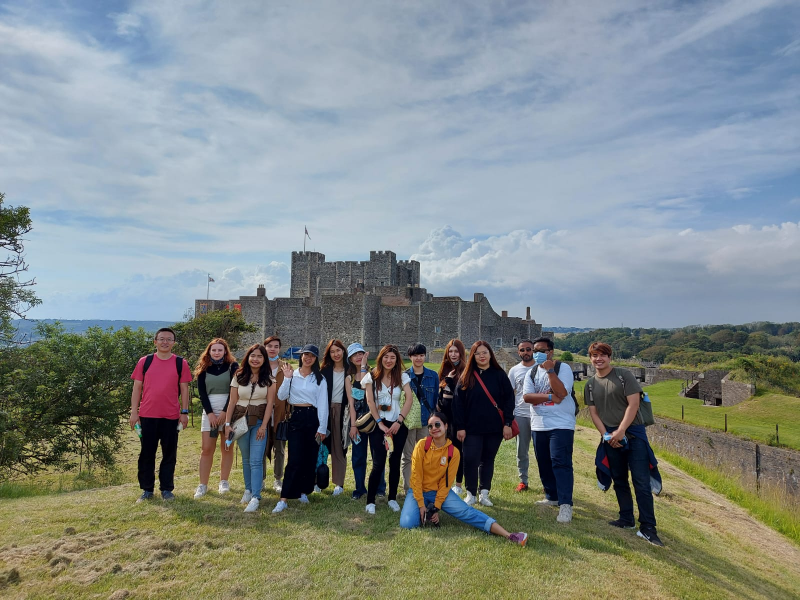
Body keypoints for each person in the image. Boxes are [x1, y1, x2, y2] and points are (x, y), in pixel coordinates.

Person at [399, 412, 528, 546]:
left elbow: (445, 484)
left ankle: (510, 535)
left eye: (437, 424)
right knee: (407, 524)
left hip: (439, 492)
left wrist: (436, 507)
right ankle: (426, 510)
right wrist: (421, 505)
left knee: (467, 512)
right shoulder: (421, 445)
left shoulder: (453, 452)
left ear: (446, 426)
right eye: (430, 426)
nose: (434, 428)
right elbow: (416, 477)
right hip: (417, 491)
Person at [585, 342, 664, 546]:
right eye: (594, 356)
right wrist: (606, 435)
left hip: (633, 434)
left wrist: (620, 432)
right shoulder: (590, 384)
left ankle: (648, 527)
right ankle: (626, 518)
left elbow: (634, 404)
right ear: (590, 358)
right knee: (619, 479)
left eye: (602, 355)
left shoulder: (623, 376)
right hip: (610, 436)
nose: (598, 359)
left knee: (641, 482)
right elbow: (594, 413)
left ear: (609, 357)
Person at [130, 327, 192, 502]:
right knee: (147, 454)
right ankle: (147, 490)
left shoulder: (180, 363)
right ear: (155, 341)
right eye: (162, 339)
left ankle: (166, 489)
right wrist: (134, 412)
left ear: (174, 343)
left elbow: (184, 389)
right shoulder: (145, 361)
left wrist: (184, 412)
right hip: (147, 415)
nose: (165, 342)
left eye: (169, 339)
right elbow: (137, 388)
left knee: (169, 455)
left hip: (171, 416)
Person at [453, 340, 514, 507]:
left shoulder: (499, 375)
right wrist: (460, 427)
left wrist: (508, 423)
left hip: (494, 428)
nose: (482, 356)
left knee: (487, 460)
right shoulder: (466, 376)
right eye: (478, 353)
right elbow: (458, 404)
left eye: (484, 352)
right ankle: (471, 493)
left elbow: (509, 400)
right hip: (471, 428)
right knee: (470, 459)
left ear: (490, 354)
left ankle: (484, 493)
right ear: (473, 356)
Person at [522, 337, 576, 523]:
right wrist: (550, 397)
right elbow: (527, 397)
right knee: (544, 462)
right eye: (534, 350)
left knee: (560, 462)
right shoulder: (532, 372)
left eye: (541, 350)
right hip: (539, 423)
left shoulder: (563, 368)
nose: (537, 354)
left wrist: (550, 371)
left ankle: (565, 504)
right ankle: (551, 496)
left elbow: (562, 392)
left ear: (550, 352)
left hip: (561, 423)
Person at [272, 345, 329, 513]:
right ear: (301, 356)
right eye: (306, 355)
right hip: (296, 417)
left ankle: (304, 491)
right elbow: (282, 396)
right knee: (294, 458)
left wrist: (322, 427)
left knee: (310, 457)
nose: (308, 358)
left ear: (316, 359)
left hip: (313, 417)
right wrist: (287, 379)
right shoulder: (292, 374)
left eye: (312, 355)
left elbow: (323, 404)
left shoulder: (319, 378)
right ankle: (284, 498)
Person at [223, 344, 276, 513]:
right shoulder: (239, 376)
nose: (256, 359)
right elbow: (232, 401)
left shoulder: (269, 379)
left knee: (256, 460)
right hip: (240, 421)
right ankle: (248, 490)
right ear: (248, 357)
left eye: (260, 356)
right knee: (246, 459)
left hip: (259, 422)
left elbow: (270, 404)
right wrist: (227, 424)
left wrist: (264, 426)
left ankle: (256, 497)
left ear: (264, 359)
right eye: (253, 355)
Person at [362, 344, 414, 515]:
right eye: (386, 357)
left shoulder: (402, 377)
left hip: (398, 424)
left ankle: (392, 498)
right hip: (379, 424)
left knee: (395, 461)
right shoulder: (372, 376)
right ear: (380, 358)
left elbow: (409, 400)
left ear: (397, 360)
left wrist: (399, 421)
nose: (389, 360)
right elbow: (370, 401)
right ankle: (371, 501)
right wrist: (380, 423)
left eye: (392, 357)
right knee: (378, 463)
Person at [194, 338, 239, 499]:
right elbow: (202, 393)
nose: (217, 352)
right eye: (214, 350)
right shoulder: (203, 367)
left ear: (225, 351)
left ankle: (224, 481)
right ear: (209, 351)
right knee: (207, 448)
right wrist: (210, 413)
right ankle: (202, 485)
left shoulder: (233, 367)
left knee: (227, 447)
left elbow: (235, 391)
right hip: (210, 411)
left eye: (220, 350)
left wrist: (225, 413)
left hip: (229, 410)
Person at [346, 343, 386, 500]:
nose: (358, 357)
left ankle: (380, 488)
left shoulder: (374, 373)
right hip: (358, 420)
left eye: (360, 353)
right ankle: (359, 488)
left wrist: (364, 367)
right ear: (350, 358)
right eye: (354, 355)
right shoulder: (349, 378)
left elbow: (366, 387)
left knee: (378, 455)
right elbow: (351, 403)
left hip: (374, 419)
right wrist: (353, 425)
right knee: (358, 456)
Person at [320, 339, 357, 496]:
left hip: (343, 411)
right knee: (321, 446)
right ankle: (318, 480)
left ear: (343, 351)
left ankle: (339, 484)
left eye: (338, 350)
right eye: (332, 351)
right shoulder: (324, 370)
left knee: (340, 448)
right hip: (325, 410)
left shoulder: (350, 371)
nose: (336, 354)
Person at [402, 343, 439, 494]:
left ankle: (424, 487)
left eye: (421, 355)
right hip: (409, 422)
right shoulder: (404, 376)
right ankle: (409, 489)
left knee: (425, 456)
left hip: (425, 422)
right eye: (415, 355)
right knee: (408, 456)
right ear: (410, 357)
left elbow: (435, 400)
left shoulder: (433, 376)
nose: (418, 358)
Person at [436, 339, 466, 495]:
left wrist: (449, 381)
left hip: (457, 414)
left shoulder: (465, 370)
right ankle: (441, 481)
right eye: (450, 351)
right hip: (444, 414)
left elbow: (462, 395)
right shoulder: (444, 369)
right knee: (442, 449)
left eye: (456, 351)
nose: (453, 354)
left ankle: (458, 484)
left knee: (457, 450)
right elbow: (440, 392)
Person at [508, 340, 535, 493]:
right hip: (521, 415)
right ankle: (523, 480)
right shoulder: (514, 370)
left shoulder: (540, 368)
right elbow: (509, 394)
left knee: (542, 451)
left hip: (539, 415)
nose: (526, 352)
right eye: (522, 350)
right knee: (521, 450)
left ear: (533, 351)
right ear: (518, 352)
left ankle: (548, 483)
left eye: (528, 349)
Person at [263, 336, 286, 493]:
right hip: (261, 413)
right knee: (261, 448)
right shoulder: (259, 365)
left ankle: (278, 479)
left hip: (280, 414)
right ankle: (261, 479)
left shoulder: (285, 367)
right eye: (270, 346)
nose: (272, 349)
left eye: (276, 346)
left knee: (280, 449)